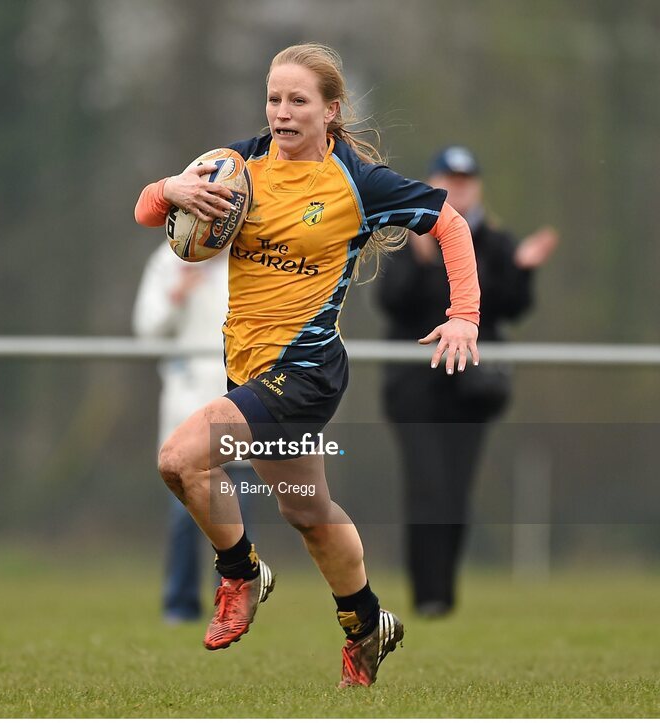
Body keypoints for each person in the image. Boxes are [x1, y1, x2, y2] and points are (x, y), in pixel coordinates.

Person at [133, 44, 481, 688]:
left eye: (298, 101)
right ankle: (368, 621)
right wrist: (168, 188)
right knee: (308, 512)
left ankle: (239, 572)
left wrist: (465, 315)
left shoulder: (357, 183)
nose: (283, 113)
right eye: (273, 99)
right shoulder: (237, 165)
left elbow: (450, 223)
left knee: (180, 459)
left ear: (331, 111)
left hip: (306, 371)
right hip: (247, 369)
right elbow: (150, 214)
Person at [377, 145, 559, 618]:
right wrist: (419, 260)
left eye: (466, 179)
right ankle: (428, 596)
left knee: (456, 490)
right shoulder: (409, 231)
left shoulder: (495, 240)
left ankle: (444, 594)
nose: (457, 186)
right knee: (427, 486)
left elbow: (511, 307)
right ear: (434, 181)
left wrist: (522, 270)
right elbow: (391, 302)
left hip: (471, 386)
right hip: (414, 385)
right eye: (448, 178)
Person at [132, 243, 258, 624]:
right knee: (186, 516)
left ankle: (233, 607)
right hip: (187, 406)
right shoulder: (168, 261)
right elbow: (147, 332)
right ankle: (180, 604)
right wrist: (176, 295)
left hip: (242, 404)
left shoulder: (255, 255)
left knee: (239, 516)